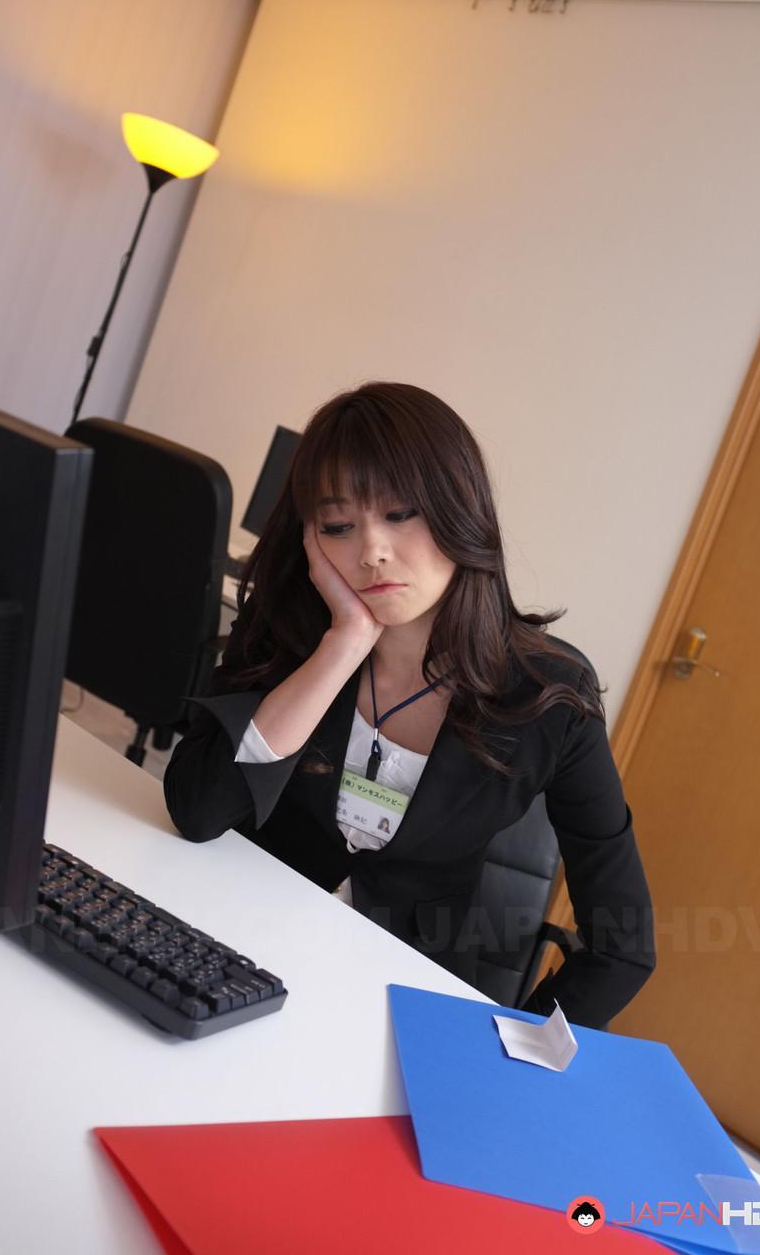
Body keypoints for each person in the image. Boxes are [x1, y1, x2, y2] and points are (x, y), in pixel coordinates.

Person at [164, 381, 655, 1029]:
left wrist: (510, 1050)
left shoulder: (547, 696)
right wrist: (341, 646)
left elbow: (623, 946)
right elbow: (197, 812)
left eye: (399, 515)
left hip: (400, 996)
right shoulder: (292, 629)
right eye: (339, 526)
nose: (370, 552)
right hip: (240, 948)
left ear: (460, 512)